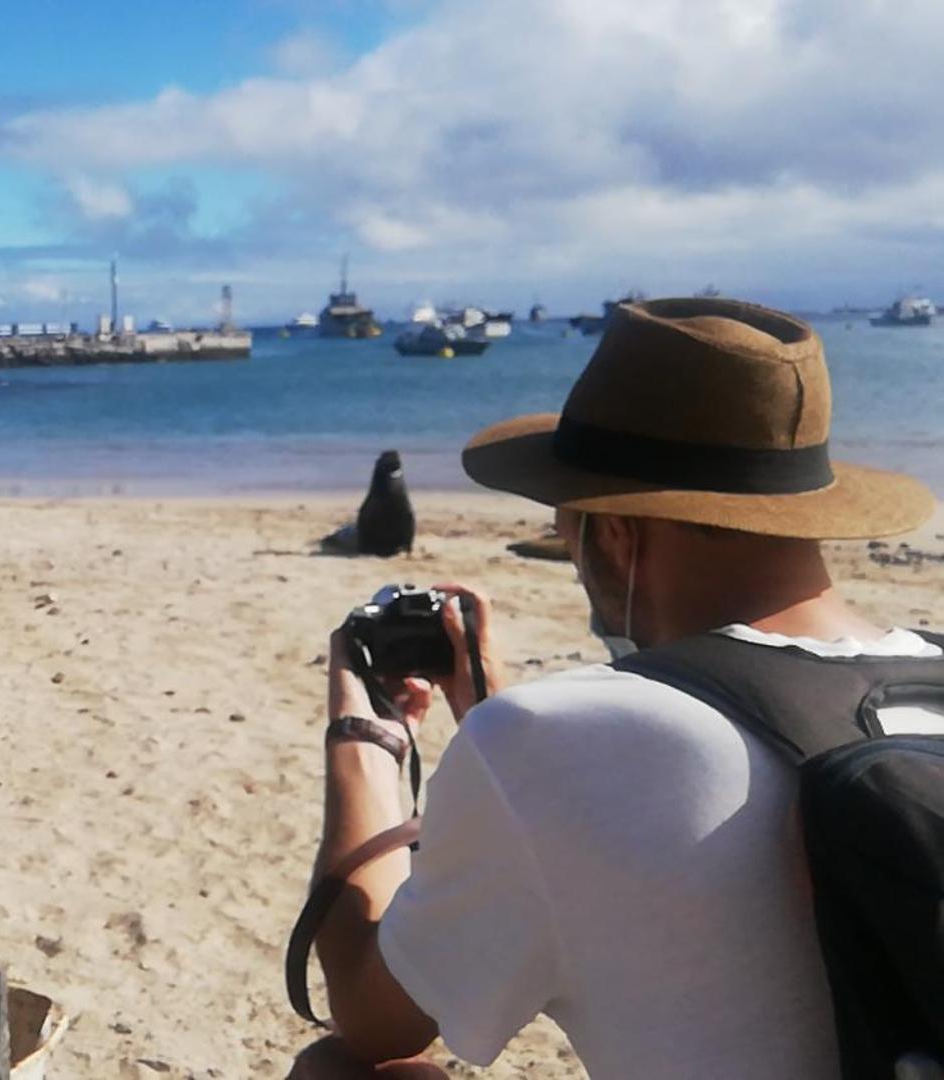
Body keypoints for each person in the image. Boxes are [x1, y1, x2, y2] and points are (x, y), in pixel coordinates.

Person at [302, 297, 939, 1077]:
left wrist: (364, 741)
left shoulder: (552, 741)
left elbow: (372, 1020)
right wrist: (502, 731)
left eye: (566, 527)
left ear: (613, 532)